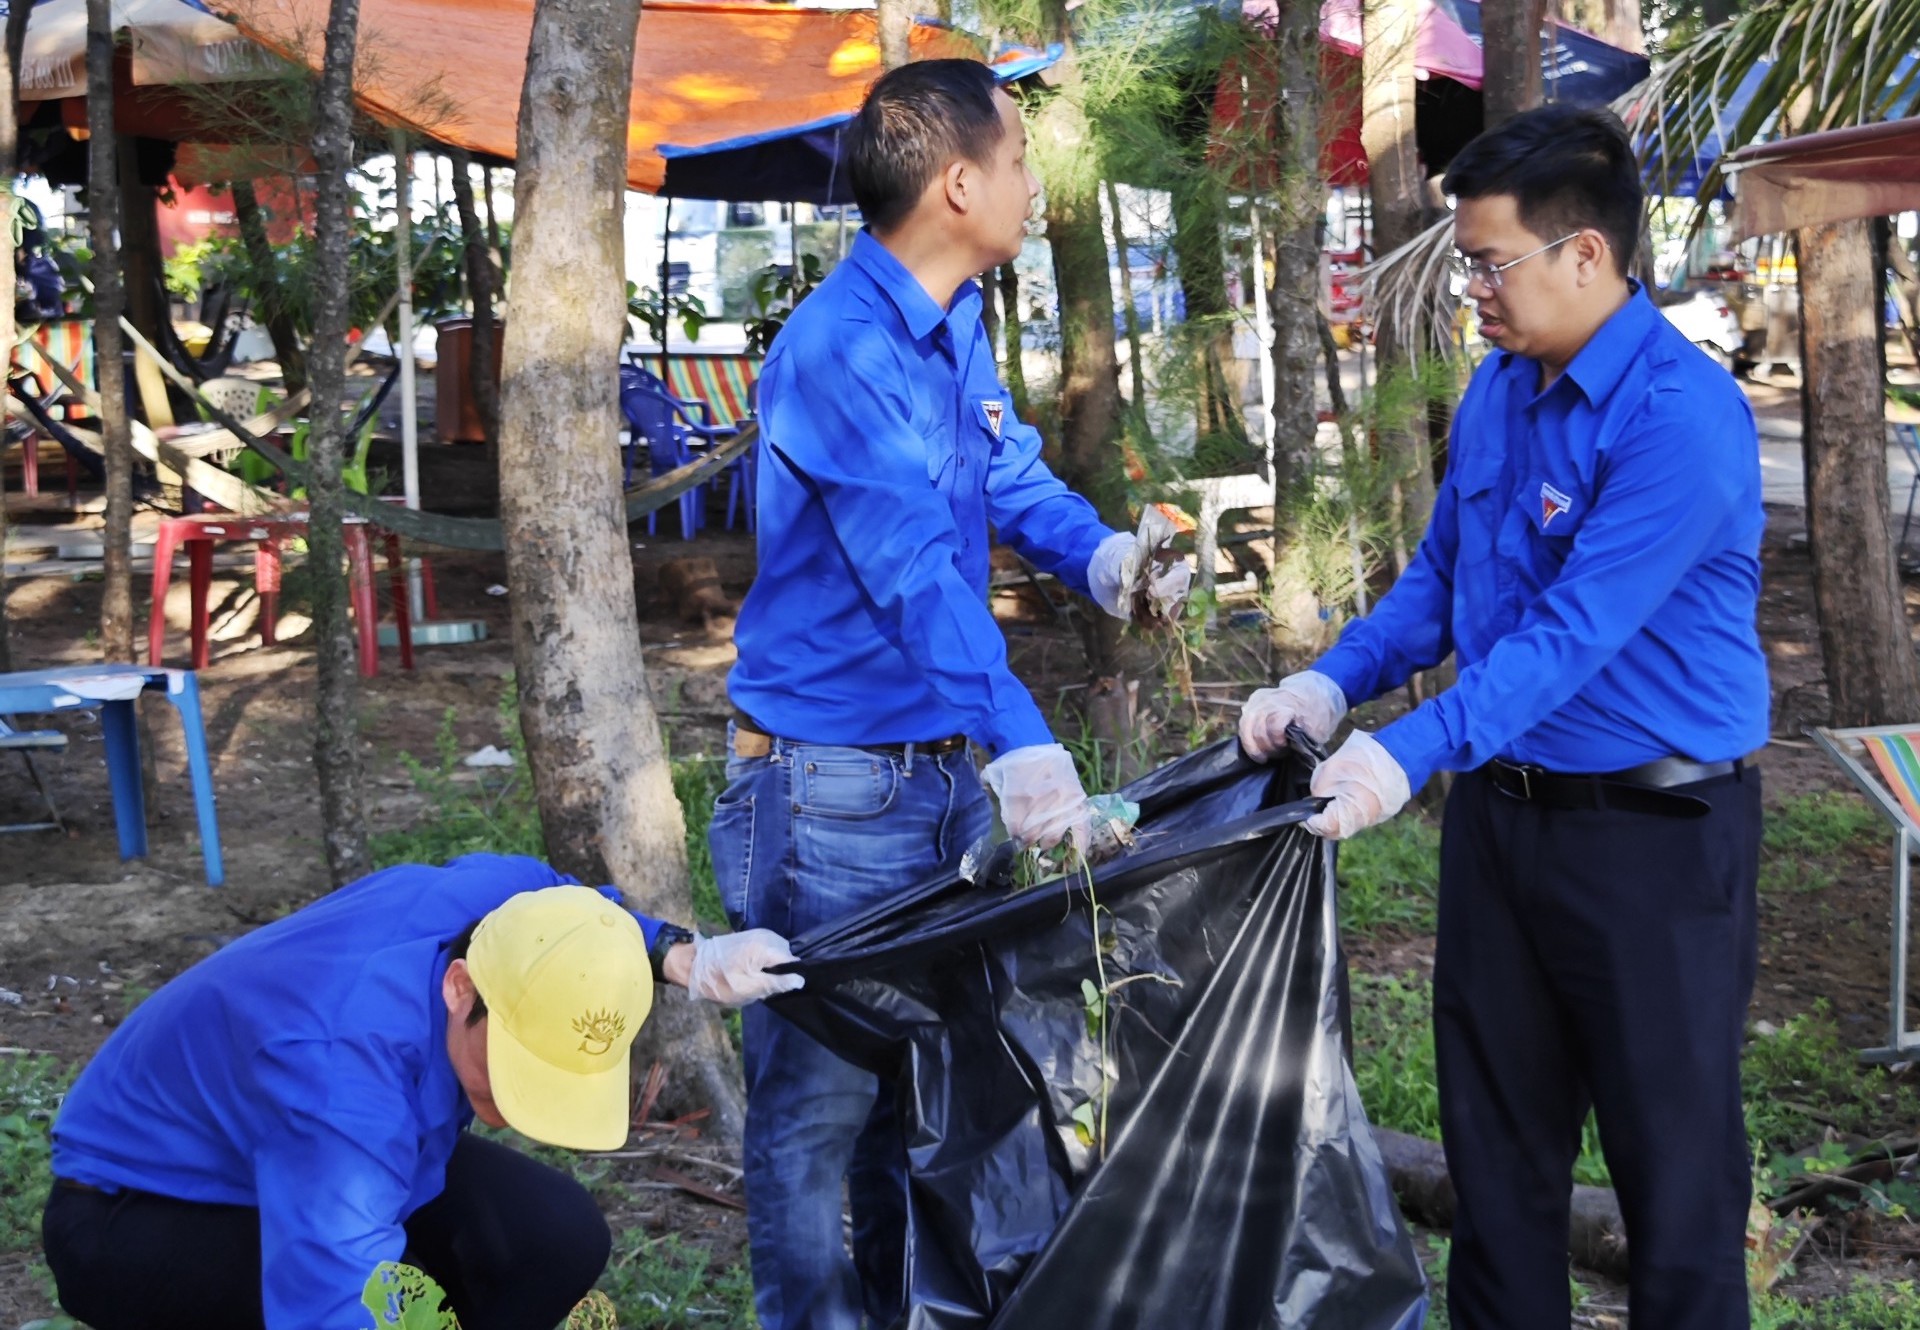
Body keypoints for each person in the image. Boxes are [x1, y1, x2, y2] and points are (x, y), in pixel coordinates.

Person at [1239, 105, 1767, 1330]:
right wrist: (1335, 678)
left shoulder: (1680, 418)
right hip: (1504, 828)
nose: (1470, 288)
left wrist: (1403, 754)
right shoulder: (1501, 389)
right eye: (1463, 260)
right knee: (1498, 1164)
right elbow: (1443, 581)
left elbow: (1573, 635)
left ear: (1587, 253)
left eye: (1488, 261)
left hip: (1656, 839)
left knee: (1675, 1180)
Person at [712, 58, 1190, 1330]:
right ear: (960, 182)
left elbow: (1003, 470)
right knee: (816, 1122)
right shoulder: (835, 349)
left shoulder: (955, 317)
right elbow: (916, 566)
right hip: (828, 791)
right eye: (1022, 160)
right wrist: (1024, 740)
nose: (1035, 183)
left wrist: (1098, 554)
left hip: (934, 784)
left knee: (926, 1098)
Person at [40, 854, 803, 1330]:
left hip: (277, 1151)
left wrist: (678, 954)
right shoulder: (340, 1084)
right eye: (513, 1065)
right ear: (461, 986)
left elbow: (574, 911)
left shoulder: (496, 901)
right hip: (139, 1214)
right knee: (382, 1297)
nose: (515, 1107)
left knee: (553, 1236)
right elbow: (332, 1308)